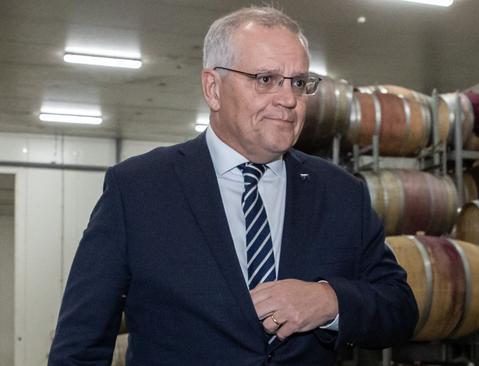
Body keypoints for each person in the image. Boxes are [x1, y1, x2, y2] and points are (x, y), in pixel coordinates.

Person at [48, 6, 418, 365]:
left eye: (299, 82)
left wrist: (329, 300)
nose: (289, 99)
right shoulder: (137, 189)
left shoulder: (340, 192)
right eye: (265, 79)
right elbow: (79, 346)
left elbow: (399, 309)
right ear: (213, 88)